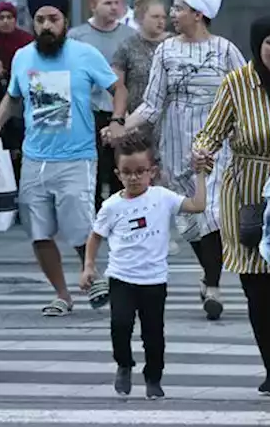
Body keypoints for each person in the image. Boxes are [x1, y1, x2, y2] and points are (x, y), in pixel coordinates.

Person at [0, 0, 127, 317]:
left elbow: (117, 87)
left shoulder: (84, 54)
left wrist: (118, 120)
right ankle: (62, 294)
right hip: (35, 159)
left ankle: (92, 272)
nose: (47, 25)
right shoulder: (22, 57)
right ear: (32, 23)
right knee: (39, 233)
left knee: (80, 227)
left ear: (65, 21)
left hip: (77, 158)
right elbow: (13, 96)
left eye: (54, 19)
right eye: (40, 20)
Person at [123, 0, 243, 321]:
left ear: (200, 13)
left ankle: (215, 286)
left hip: (217, 145)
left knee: (216, 214)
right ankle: (208, 275)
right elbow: (151, 104)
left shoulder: (225, 50)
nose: (173, 14)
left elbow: (244, 95)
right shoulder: (166, 50)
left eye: (180, 8)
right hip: (175, 145)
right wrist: (121, 127)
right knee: (191, 219)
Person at [191, 15, 270, 394]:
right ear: (257, 46)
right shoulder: (237, 83)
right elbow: (210, 132)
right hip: (250, 195)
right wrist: (201, 154)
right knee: (259, 288)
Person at [81, 132, 208, 400]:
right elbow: (95, 236)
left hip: (154, 280)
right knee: (120, 324)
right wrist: (89, 266)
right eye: (127, 172)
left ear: (153, 172)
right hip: (121, 277)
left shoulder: (162, 197)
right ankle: (124, 364)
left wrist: (200, 175)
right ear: (118, 174)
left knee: (153, 334)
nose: (134, 178)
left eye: (140, 172)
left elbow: (197, 205)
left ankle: (154, 377)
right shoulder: (112, 206)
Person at [69, 0, 137, 210]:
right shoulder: (77, 36)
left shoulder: (129, 36)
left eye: (116, 3)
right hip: (89, 111)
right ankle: (95, 214)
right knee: (93, 168)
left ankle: (124, 211)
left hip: (120, 110)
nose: (113, 8)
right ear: (93, 5)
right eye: (107, 3)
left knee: (121, 167)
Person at [0, 1, 34, 180]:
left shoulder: (26, 41)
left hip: (22, 98)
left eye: (9, 17)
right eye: (1, 18)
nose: (5, 21)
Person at [110, 0, 168, 143]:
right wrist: (124, 117)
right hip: (135, 122)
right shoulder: (127, 46)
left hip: (168, 121)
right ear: (140, 19)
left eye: (163, 17)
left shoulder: (174, 44)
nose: (161, 21)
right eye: (155, 17)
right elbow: (116, 86)